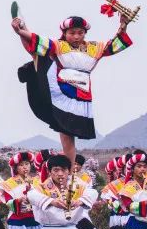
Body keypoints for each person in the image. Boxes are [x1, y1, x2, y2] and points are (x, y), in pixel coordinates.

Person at [12, 12, 132, 164]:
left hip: (82, 96)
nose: (76, 36)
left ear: (85, 33)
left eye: (80, 33)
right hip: (60, 92)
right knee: (65, 133)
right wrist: (21, 31)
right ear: (65, 33)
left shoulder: (95, 48)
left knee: (69, 136)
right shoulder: (60, 46)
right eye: (72, 33)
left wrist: (123, 25)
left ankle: (68, 170)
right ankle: (68, 171)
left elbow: (115, 45)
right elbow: (37, 42)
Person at [99, 156, 128, 229]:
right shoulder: (112, 186)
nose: (117, 173)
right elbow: (108, 201)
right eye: (114, 171)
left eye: (118, 170)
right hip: (118, 215)